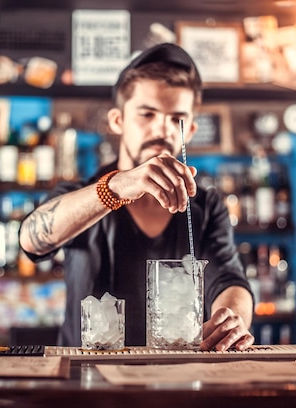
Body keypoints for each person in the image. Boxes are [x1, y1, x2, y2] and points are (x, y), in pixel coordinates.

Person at [19, 42, 255, 351]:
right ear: (118, 121)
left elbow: (229, 279)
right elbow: (31, 240)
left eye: (177, 118)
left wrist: (232, 318)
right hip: (87, 382)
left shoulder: (205, 206)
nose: (163, 129)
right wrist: (115, 188)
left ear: (191, 130)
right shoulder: (82, 195)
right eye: (147, 113)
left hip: (177, 380)